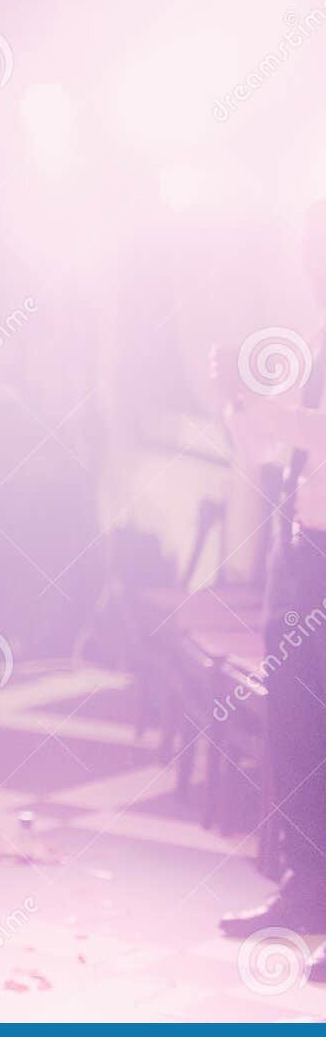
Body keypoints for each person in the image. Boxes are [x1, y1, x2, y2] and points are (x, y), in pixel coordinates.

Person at [213, 200, 326, 984]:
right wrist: (235, 408)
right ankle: (306, 889)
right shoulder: (315, 340)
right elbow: (269, 451)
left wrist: (278, 415)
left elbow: (304, 427)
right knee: (296, 736)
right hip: (302, 554)